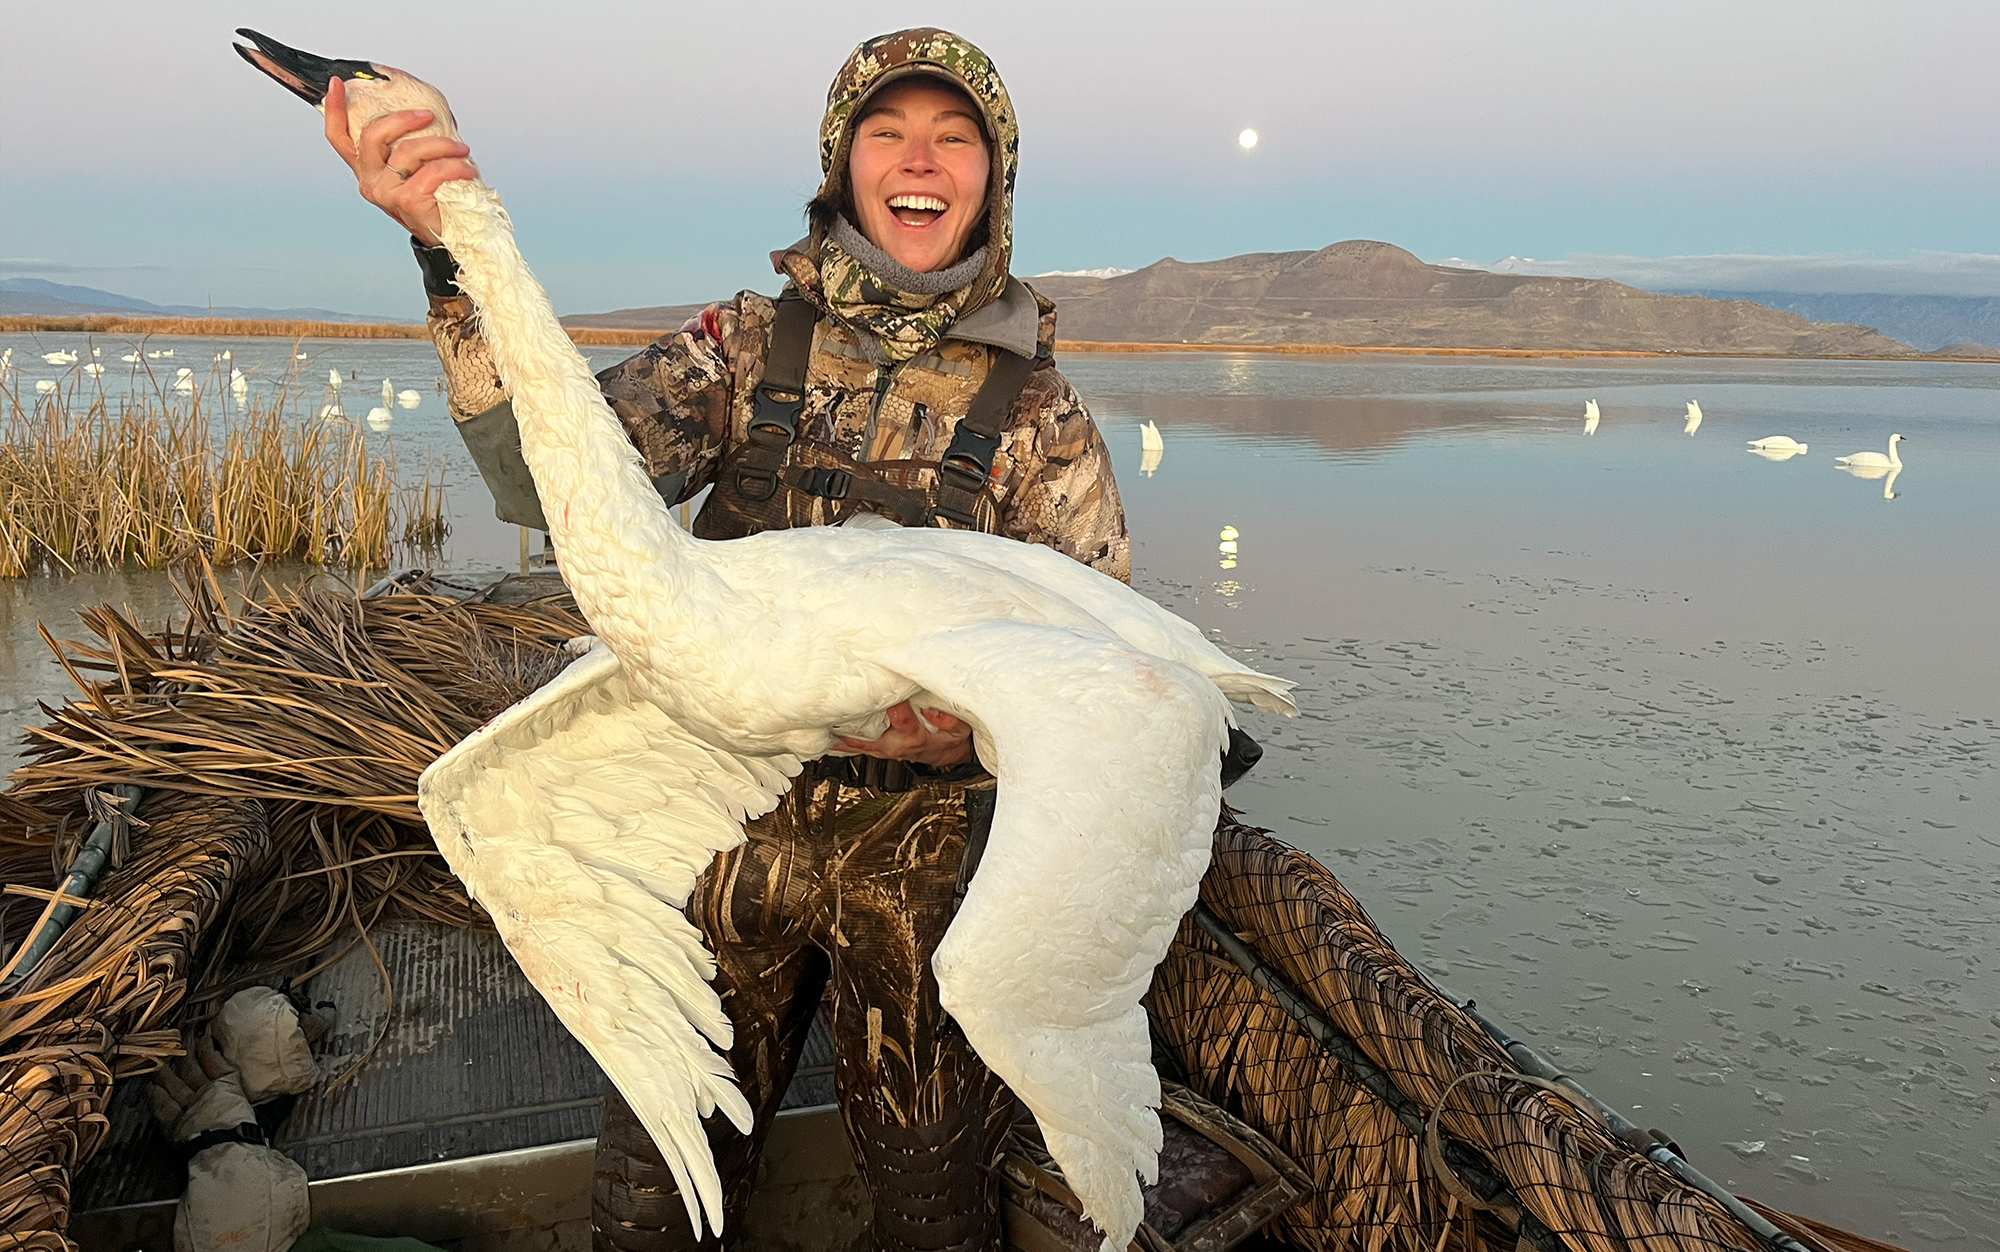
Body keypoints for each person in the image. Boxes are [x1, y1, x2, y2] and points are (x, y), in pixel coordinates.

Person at [325, 28, 1127, 1252]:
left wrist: (975, 730)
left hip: (923, 873)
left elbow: (1100, 683)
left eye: (953, 136)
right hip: (717, 831)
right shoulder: (748, 346)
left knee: (931, 1202)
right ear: (841, 163)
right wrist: (446, 244)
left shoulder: (1042, 416)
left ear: (992, 178)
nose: (920, 160)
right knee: (658, 1182)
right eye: (888, 131)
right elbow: (552, 478)